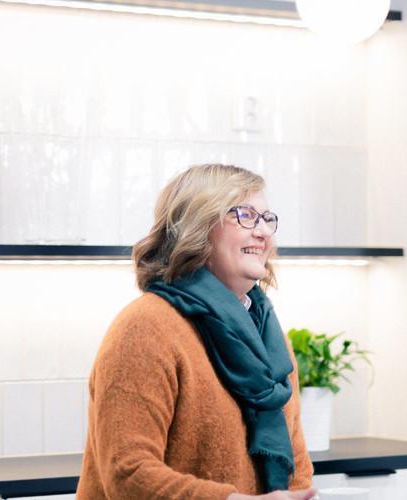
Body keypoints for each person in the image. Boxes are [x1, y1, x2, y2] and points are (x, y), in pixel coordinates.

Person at [77, 164, 316, 500]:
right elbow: (127, 472)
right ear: (196, 226)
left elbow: (297, 466)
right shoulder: (146, 328)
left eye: (266, 219)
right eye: (244, 215)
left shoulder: (270, 341)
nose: (262, 232)